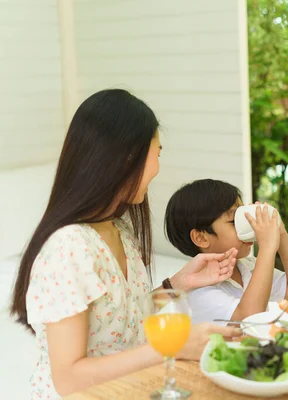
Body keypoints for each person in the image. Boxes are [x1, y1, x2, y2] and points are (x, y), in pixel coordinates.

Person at [10, 89, 242, 399]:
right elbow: (68, 379)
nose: (158, 168)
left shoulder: (118, 229)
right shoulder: (68, 248)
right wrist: (171, 347)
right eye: (157, 152)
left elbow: (121, 319)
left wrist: (178, 283)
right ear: (127, 157)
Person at [164, 179, 288, 324]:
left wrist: (281, 234)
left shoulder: (247, 266)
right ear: (201, 238)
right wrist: (267, 248)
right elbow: (247, 318)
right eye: (235, 221)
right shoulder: (196, 290)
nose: (248, 226)